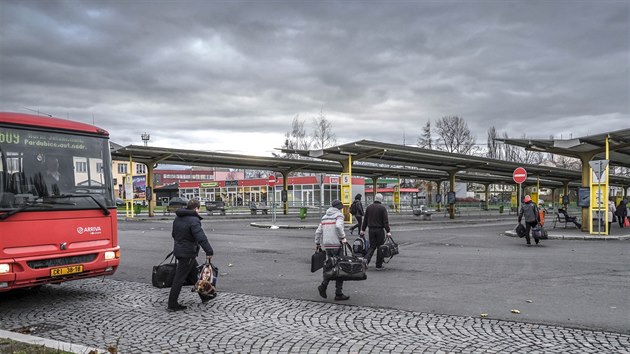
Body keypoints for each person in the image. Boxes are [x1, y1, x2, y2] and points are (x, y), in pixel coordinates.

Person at [168, 199, 215, 311]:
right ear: (196, 209)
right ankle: (172, 303)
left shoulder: (178, 218)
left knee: (195, 275)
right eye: (198, 209)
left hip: (181, 251)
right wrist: (209, 251)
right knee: (179, 279)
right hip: (187, 253)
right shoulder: (194, 220)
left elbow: (174, 234)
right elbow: (201, 237)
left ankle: (204, 296)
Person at [315, 199, 349, 301]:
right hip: (336, 245)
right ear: (339, 207)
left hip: (327, 245)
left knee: (330, 267)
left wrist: (317, 243)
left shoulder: (324, 217)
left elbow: (318, 232)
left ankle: (323, 286)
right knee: (340, 268)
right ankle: (338, 293)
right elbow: (338, 227)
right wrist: (343, 237)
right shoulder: (338, 216)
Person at [360, 193, 391, 269]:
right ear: (381, 200)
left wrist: (363, 230)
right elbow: (385, 222)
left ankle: (366, 259)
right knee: (380, 247)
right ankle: (378, 265)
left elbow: (365, 220)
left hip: (371, 230)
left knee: (372, 246)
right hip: (379, 230)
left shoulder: (369, 207)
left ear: (375, 198)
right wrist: (388, 231)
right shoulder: (382, 208)